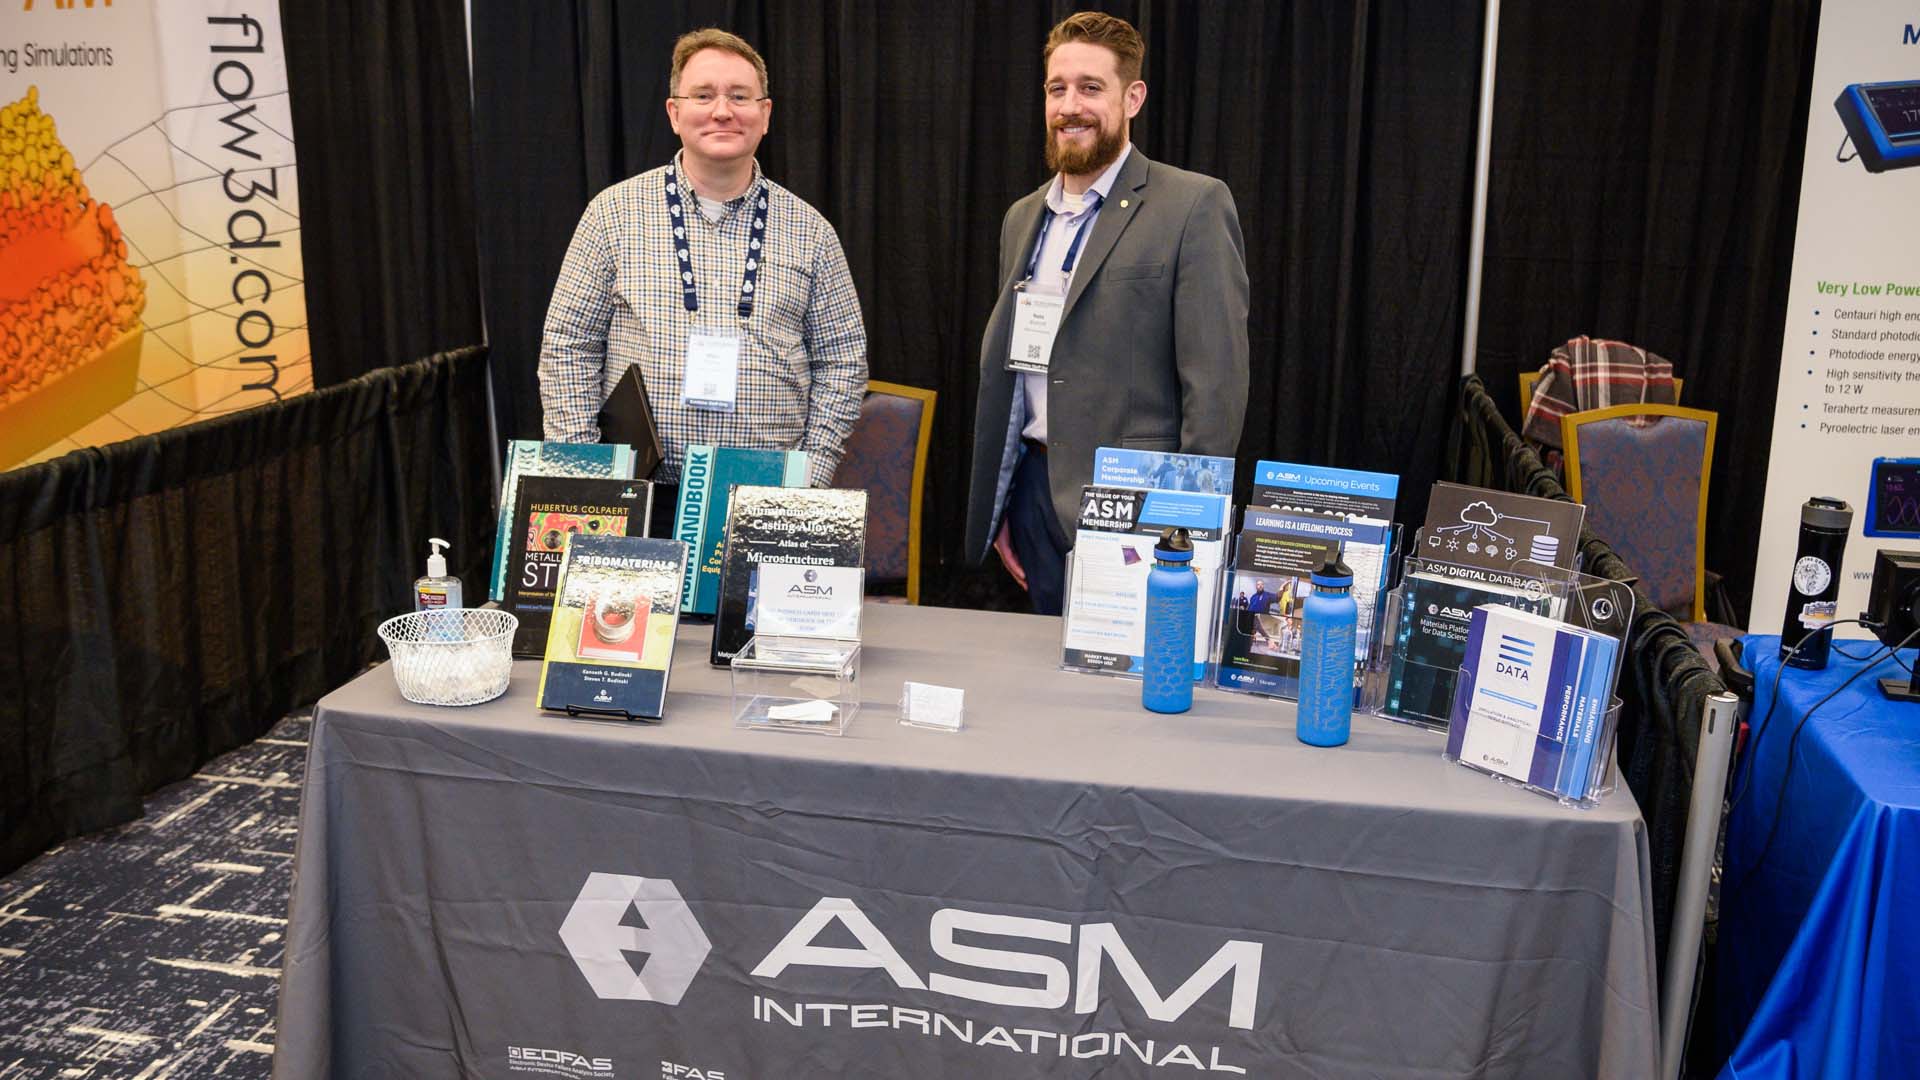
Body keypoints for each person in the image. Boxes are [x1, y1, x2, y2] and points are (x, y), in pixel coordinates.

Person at [963, 11, 1250, 615]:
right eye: (1057, 88)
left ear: (1132, 97)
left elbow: (1216, 389)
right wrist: (1005, 502)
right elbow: (1018, 374)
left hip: (1141, 510)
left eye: (1091, 88)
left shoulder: (1193, 205)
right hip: (1035, 496)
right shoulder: (1022, 218)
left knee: (1137, 673)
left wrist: (1186, 528)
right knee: (1042, 670)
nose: (1071, 106)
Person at [539, 28, 868, 532]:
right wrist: (590, 478)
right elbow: (567, 347)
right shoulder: (612, 216)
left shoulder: (811, 232)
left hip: (770, 500)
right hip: (639, 495)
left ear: (765, 114)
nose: (722, 111)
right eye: (703, 95)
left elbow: (843, 362)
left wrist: (810, 478)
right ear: (674, 113)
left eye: (739, 96)